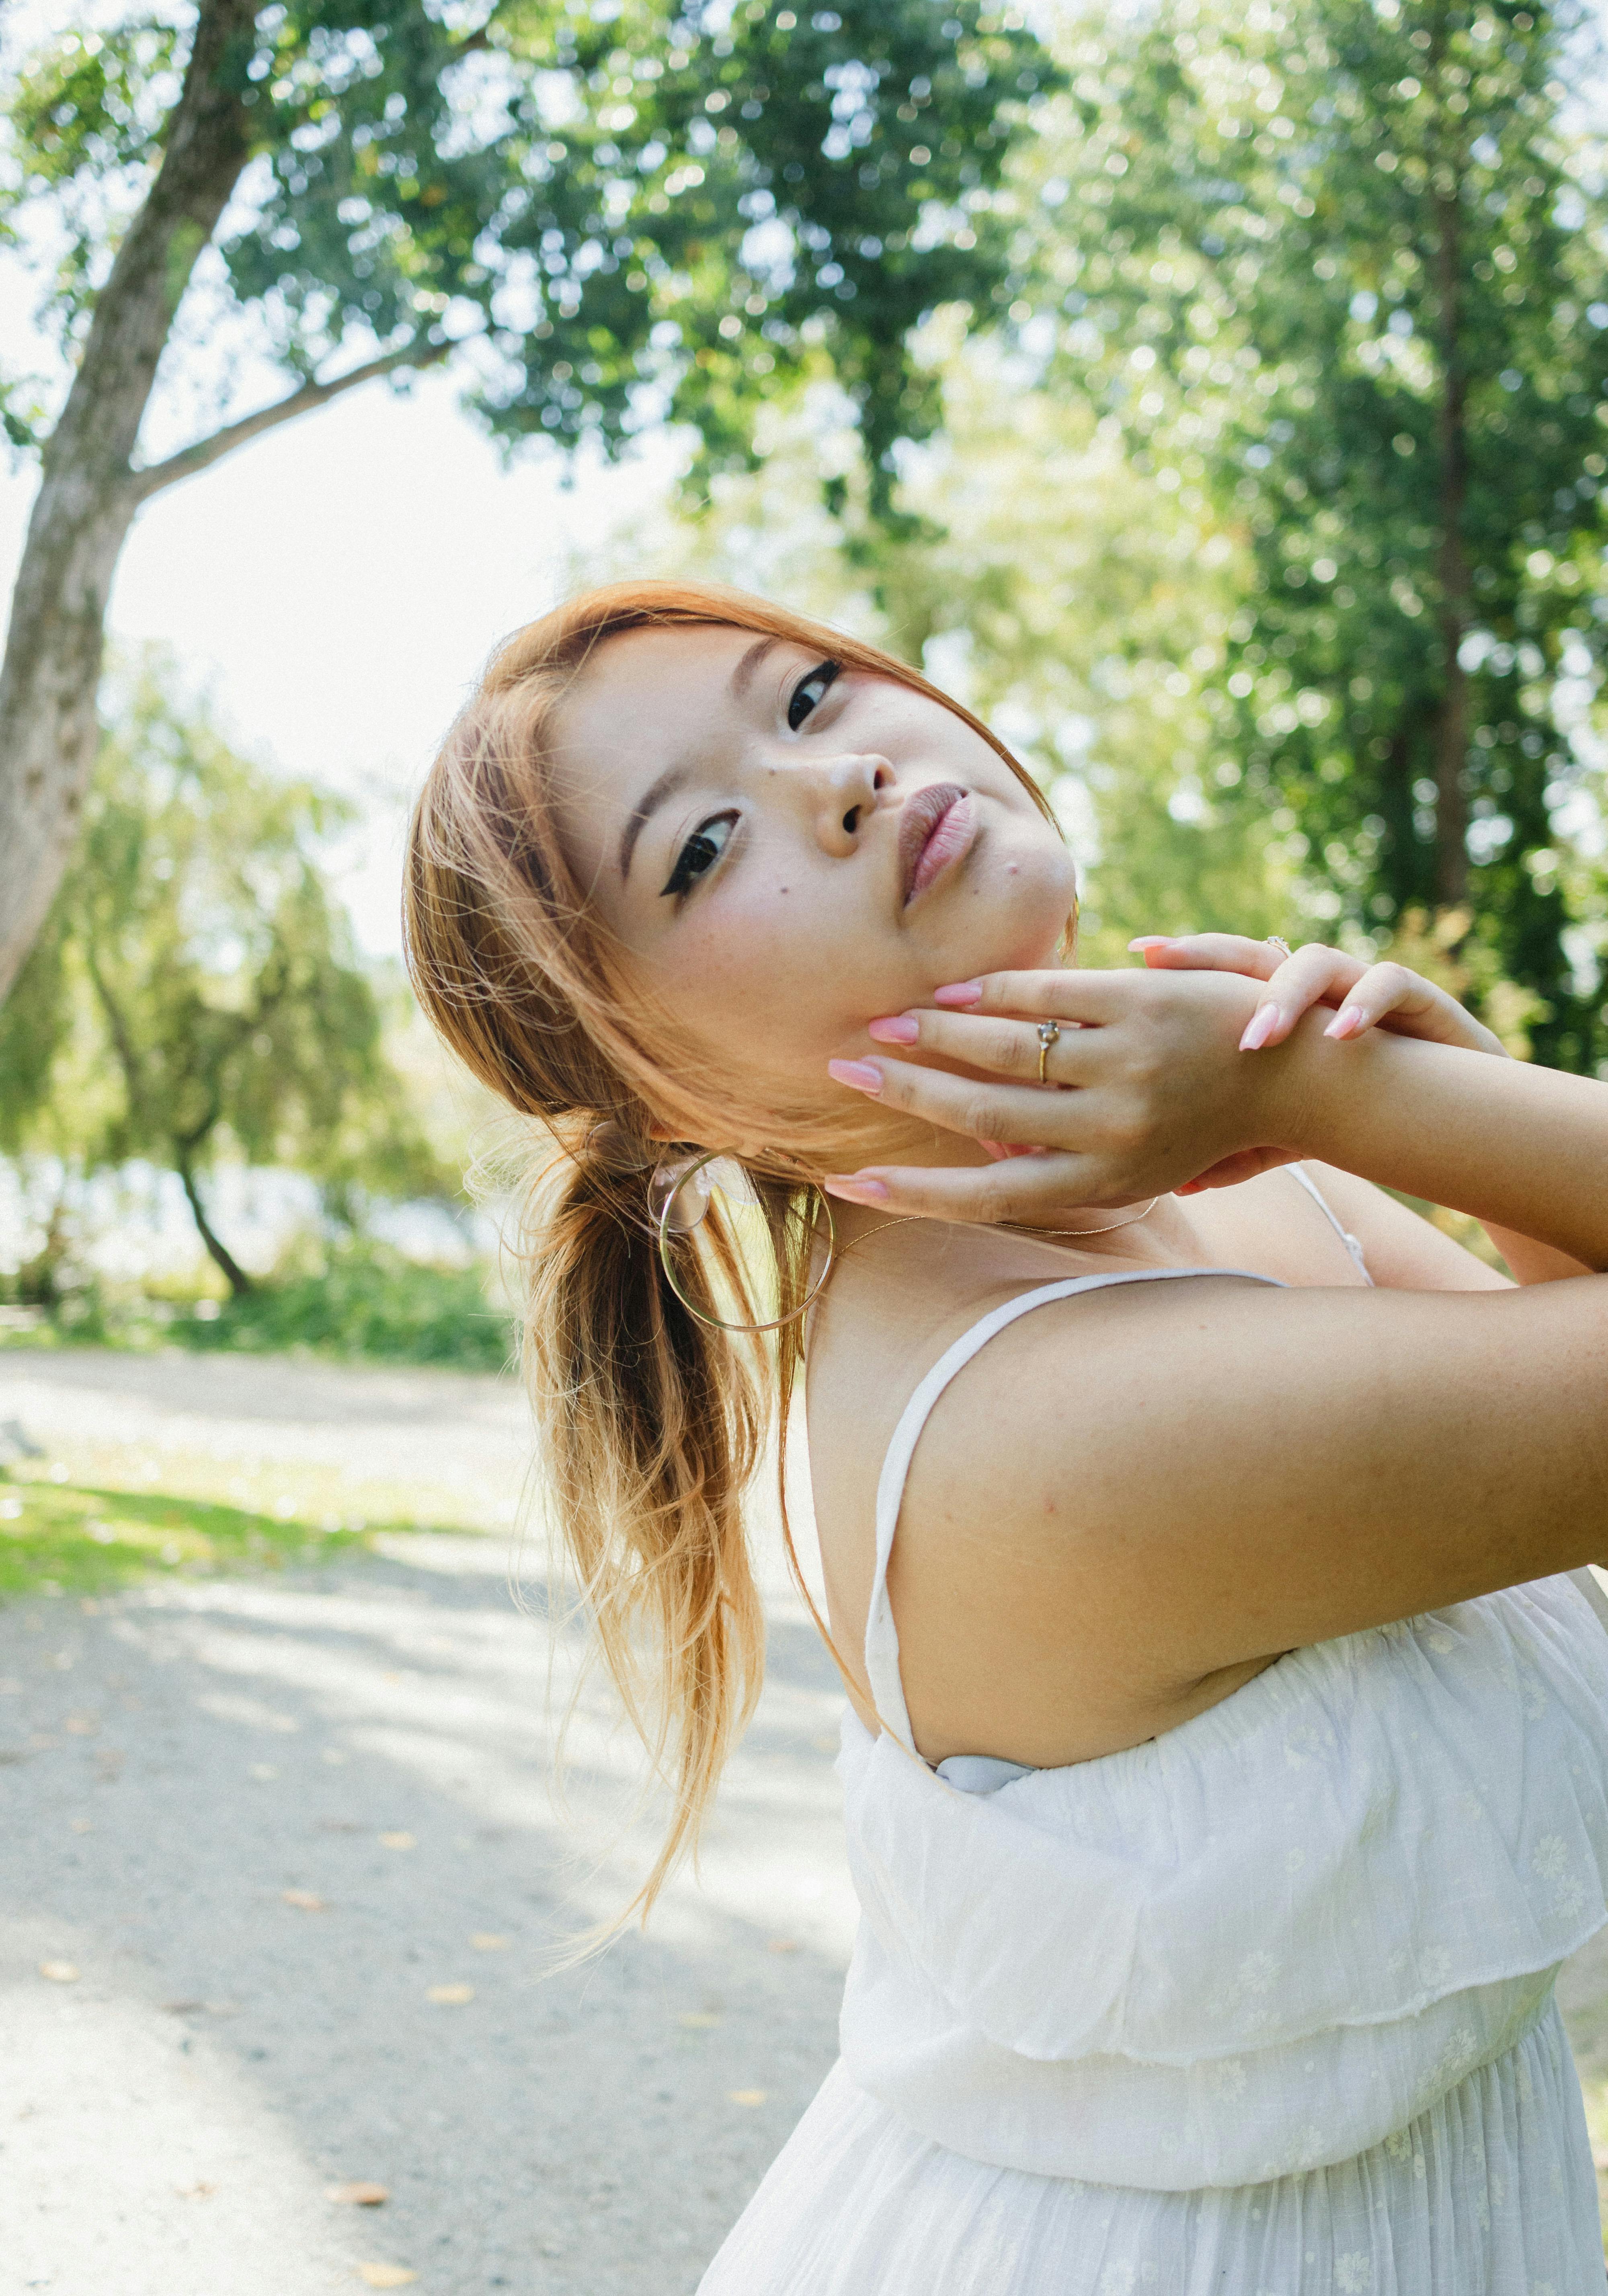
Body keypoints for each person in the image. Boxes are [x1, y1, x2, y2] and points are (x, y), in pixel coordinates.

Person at [404, 578, 1608, 2294]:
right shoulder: (1033, 1433)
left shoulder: (1264, 1205)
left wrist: (1438, 1095)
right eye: (704, 848)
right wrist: (1359, 1096)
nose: (840, 782)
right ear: (656, 1101)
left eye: (811, 696)